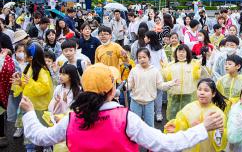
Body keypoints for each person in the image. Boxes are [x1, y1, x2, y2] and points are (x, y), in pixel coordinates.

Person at [20, 63, 224, 152]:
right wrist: (202, 128)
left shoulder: (72, 118)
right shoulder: (126, 118)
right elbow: (165, 144)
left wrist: (29, 114)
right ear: (112, 90)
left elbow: (41, 137)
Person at [164, 78, 227, 152]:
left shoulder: (218, 113)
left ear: (213, 94)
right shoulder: (188, 108)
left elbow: (220, 137)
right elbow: (181, 124)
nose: (202, 93)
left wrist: (220, 133)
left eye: (206, 90)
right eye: (199, 89)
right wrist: (176, 127)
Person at [11, 42, 53, 152]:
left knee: (42, 130)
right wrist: (19, 83)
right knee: (29, 129)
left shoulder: (42, 71)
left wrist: (29, 83)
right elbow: (26, 85)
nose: (22, 56)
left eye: (25, 53)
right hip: (28, 105)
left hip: (39, 108)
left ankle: (45, 147)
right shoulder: (29, 67)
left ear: (31, 57)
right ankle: (30, 148)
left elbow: (44, 88)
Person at [128, 48, 179, 127]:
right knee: (134, 126)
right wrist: (124, 86)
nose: (142, 59)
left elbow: (160, 85)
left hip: (149, 103)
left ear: (149, 58)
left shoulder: (155, 71)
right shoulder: (134, 70)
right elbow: (129, 85)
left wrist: (171, 83)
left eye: (144, 57)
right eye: (139, 58)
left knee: (149, 126)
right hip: (135, 102)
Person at [162, 44, 207, 121]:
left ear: (187, 53)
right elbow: (164, 79)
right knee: (173, 118)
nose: (181, 53)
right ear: (176, 53)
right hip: (174, 96)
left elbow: (205, 76)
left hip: (189, 95)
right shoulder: (170, 65)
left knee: (188, 117)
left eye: (183, 51)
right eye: (179, 51)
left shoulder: (194, 64)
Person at [144, 31, 168, 121]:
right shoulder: (160, 48)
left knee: (149, 94)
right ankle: (159, 114)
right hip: (159, 74)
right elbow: (165, 61)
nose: (144, 38)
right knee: (159, 95)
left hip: (148, 73)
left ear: (149, 39)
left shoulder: (146, 49)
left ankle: (150, 113)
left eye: (146, 37)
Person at [0, 48, 15, 147]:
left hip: (0, 92)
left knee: (0, 114)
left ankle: (1, 136)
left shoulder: (6, 57)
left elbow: (9, 71)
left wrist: (2, 57)